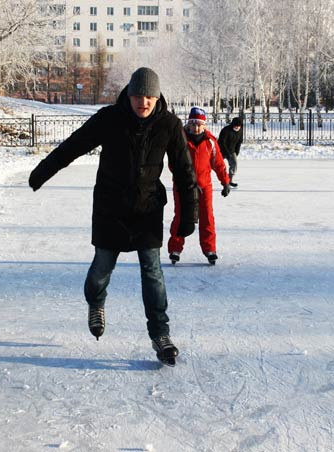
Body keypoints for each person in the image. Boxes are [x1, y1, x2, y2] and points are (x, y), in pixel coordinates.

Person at [28, 67, 198, 365]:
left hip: (147, 210)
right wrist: (43, 171)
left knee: (153, 272)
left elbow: (184, 172)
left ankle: (161, 333)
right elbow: (74, 145)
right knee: (100, 271)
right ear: (128, 95)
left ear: (156, 97)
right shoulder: (109, 118)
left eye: (148, 96)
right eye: (137, 95)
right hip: (110, 209)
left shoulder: (169, 125)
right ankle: (96, 303)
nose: (142, 102)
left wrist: (189, 214)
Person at [167, 107, 231, 266]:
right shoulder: (180, 139)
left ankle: (210, 249)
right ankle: (175, 249)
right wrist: (183, 178)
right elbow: (173, 163)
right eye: (193, 123)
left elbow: (218, 164)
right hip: (183, 186)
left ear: (204, 125)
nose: (196, 127)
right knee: (181, 216)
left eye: (199, 124)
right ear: (188, 124)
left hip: (204, 186)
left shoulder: (210, 142)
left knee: (207, 217)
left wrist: (225, 182)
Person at [218, 117, 243, 187]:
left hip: (231, 150)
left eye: (239, 126)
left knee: (234, 164)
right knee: (214, 165)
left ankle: (229, 180)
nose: (237, 127)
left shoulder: (240, 131)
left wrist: (236, 151)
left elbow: (239, 142)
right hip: (221, 150)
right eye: (236, 126)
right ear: (232, 125)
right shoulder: (226, 130)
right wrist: (227, 153)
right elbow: (222, 143)